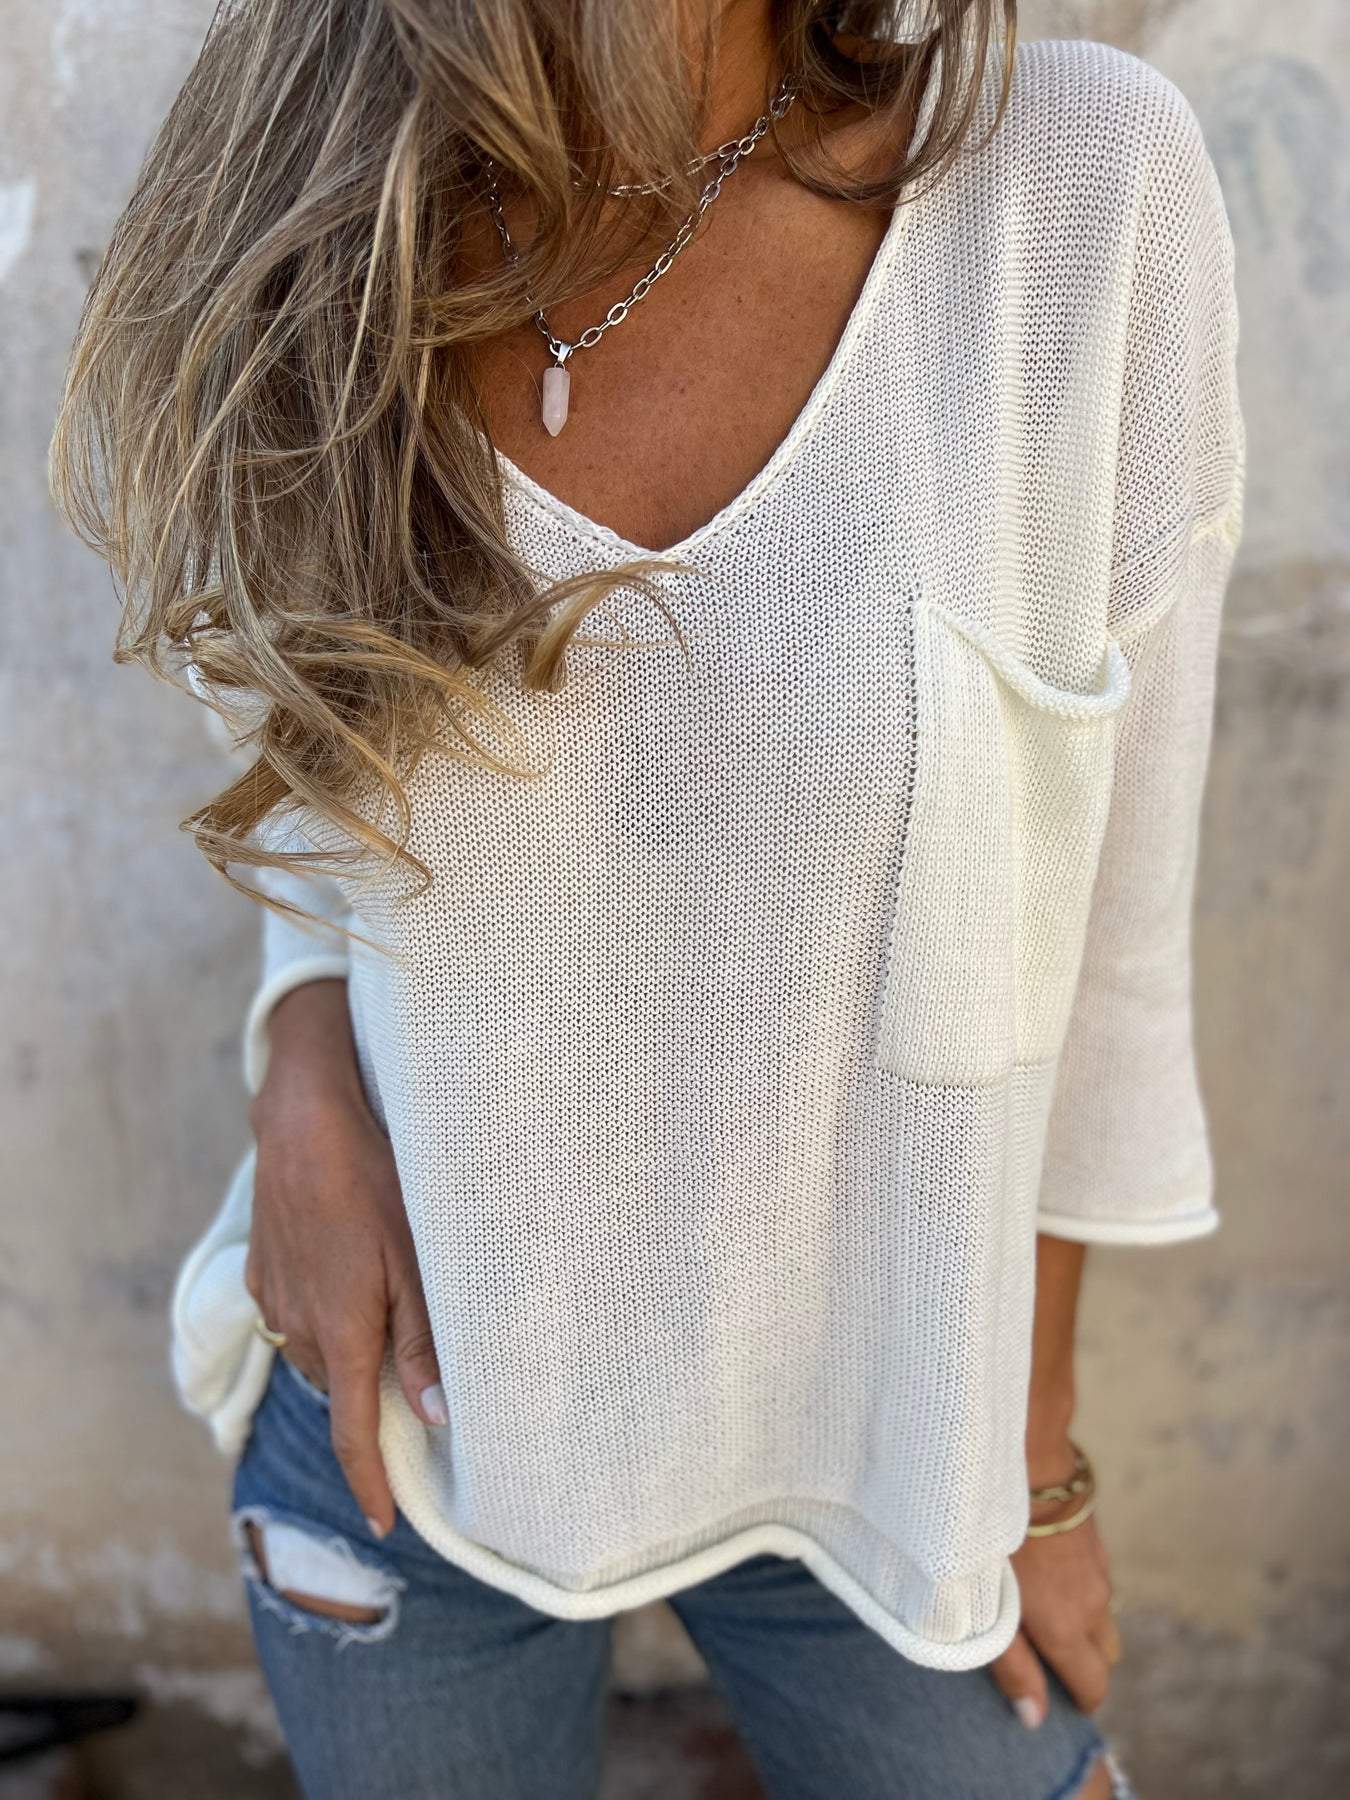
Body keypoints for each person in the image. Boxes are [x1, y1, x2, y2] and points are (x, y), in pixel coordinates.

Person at [50, 0, 1245, 1794]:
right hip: (416, 1421)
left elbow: (1112, 930)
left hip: (886, 1444)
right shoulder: (304, 202)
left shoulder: (1074, 190)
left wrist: (1032, 1461)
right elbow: (314, 790)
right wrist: (298, 1066)